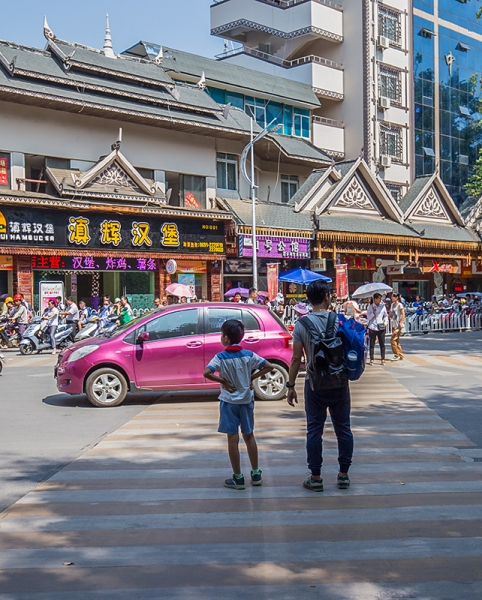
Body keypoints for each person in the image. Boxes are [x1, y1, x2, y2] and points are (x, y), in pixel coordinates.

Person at [286, 280, 353, 492]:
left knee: (314, 430)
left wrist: (290, 385)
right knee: (343, 428)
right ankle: (343, 475)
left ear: (308, 299)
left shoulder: (301, 324)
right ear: (326, 297)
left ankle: (315, 478)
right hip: (339, 383)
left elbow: (296, 359)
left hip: (314, 384)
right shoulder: (339, 321)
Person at [203, 319, 274, 490]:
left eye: (221, 334)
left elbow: (207, 373)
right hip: (246, 401)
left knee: (232, 439)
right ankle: (256, 473)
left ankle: (238, 477)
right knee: (249, 436)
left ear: (226, 338)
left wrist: (223, 381)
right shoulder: (249, 355)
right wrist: (252, 377)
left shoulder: (220, 357)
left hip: (229, 402)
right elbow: (269, 366)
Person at [367, 293, 389, 366]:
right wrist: (373, 313)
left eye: (381, 298)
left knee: (382, 343)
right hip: (372, 327)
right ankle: (371, 359)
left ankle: (383, 359)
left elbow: (386, 315)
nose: (380, 300)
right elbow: (369, 318)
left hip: (381, 326)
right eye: (379, 298)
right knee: (372, 344)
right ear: (375, 299)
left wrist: (385, 323)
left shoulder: (383, 306)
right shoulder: (370, 307)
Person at [390, 292, 405, 361]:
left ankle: (396, 354)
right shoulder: (392, 305)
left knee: (392, 340)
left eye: (393, 297)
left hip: (397, 326)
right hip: (393, 325)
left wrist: (401, 322)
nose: (392, 298)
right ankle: (401, 355)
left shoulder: (400, 305)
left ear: (396, 298)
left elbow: (403, 314)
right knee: (397, 341)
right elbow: (390, 314)